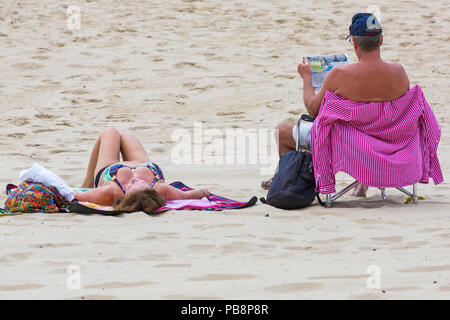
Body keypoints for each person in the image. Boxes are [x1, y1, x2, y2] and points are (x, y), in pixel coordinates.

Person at [262, 13, 410, 197]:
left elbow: (313, 110)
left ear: (354, 43)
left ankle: (282, 179)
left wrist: (307, 78)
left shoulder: (340, 74)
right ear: (381, 41)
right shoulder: (399, 72)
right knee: (368, 125)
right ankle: (362, 183)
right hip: (390, 145)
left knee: (283, 131)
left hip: (349, 146)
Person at [75, 127, 209, 212]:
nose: (135, 178)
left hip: (110, 170)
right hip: (143, 164)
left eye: (132, 183)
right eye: (141, 182)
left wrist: (85, 191)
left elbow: (71, 196)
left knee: (111, 132)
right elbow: (196, 194)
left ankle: (88, 182)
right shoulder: (162, 191)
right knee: (127, 135)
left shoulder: (110, 192)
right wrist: (204, 192)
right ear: (152, 190)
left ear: (124, 196)